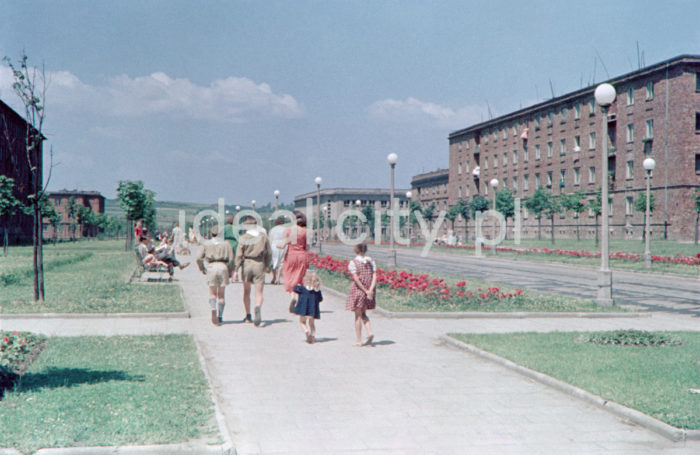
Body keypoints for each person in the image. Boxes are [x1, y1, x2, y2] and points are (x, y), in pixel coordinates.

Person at [234, 216, 272, 326]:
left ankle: (248, 315)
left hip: (247, 264)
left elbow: (239, 255)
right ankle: (258, 307)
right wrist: (268, 265)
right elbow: (268, 253)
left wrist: (236, 270)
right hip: (259, 263)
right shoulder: (263, 237)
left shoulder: (243, 237)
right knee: (259, 292)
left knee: (246, 291)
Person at [196, 225, 235, 326]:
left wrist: (202, 268)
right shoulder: (227, 244)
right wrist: (230, 271)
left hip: (211, 267)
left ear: (211, 234)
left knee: (212, 293)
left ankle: (213, 308)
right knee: (221, 295)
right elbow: (231, 260)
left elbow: (198, 258)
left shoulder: (207, 243)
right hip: (223, 266)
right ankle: (220, 316)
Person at [346, 243, 376, 347]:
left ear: (355, 251)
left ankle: (359, 340)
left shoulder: (353, 262)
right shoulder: (371, 261)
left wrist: (364, 290)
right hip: (370, 290)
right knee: (364, 314)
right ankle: (369, 332)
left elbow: (356, 278)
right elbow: (375, 276)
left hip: (358, 290)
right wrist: (370, 290)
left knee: (357, 316)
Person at [281, 211, 309, 311]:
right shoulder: (306, 232)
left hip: (291, 255)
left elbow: (283, 244)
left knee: (289, 276)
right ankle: (297, 298)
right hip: (302, 255)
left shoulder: (288, 230)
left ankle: (292, 297)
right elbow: (308, 247)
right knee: (300, 277)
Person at [292, 271, 323, 344]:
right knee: (312, 324)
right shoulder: (317, 291)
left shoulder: (302, 288)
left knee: (302, 322)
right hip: (313, 310)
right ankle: (313, 337)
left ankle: (306, 332)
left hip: (304, 309)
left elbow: (294, 288)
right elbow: (320, 299)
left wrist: (298, 284)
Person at [268, 216, 288, 285]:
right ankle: (278, 278)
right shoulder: (286, 229)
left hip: (274, 245)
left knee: (274, 261)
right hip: (283, 246)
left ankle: (274, 277)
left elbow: (270, 240)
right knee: (281, 262)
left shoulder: (273, 229)